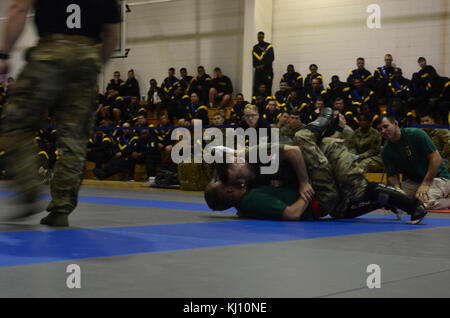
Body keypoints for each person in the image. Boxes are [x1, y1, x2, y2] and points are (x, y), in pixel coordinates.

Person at [0, 0, 121, 226]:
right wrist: (94, 66)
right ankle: (61, 209)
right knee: (73, 137)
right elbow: (112, 36)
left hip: (50, 54)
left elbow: (18, 8)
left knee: (16, 121)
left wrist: (5, 55)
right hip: (86, 57)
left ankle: (29, 188)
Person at [208, 108, 428, 224]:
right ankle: (392, 203)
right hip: (318, 161)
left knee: (301, 136)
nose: (242, 179)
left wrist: (304, 183)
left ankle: (327, 116)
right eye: (238, 179)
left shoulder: (252, 155)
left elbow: (294, 152)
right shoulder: (249, 184)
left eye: (237, 172)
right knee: (342, 208)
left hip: (324, 154)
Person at [377, 115, 450, 209]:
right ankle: (433, 197)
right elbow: (392, 176)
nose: (383, 131)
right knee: (392, 199)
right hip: (414, 182)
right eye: (380, 129)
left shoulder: (415, 134)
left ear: (395, 123)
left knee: (422, 203)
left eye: (386, 126)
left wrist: (425, 184)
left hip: (438, 177)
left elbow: (436, 158)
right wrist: (397, 189)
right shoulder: (386, 150)